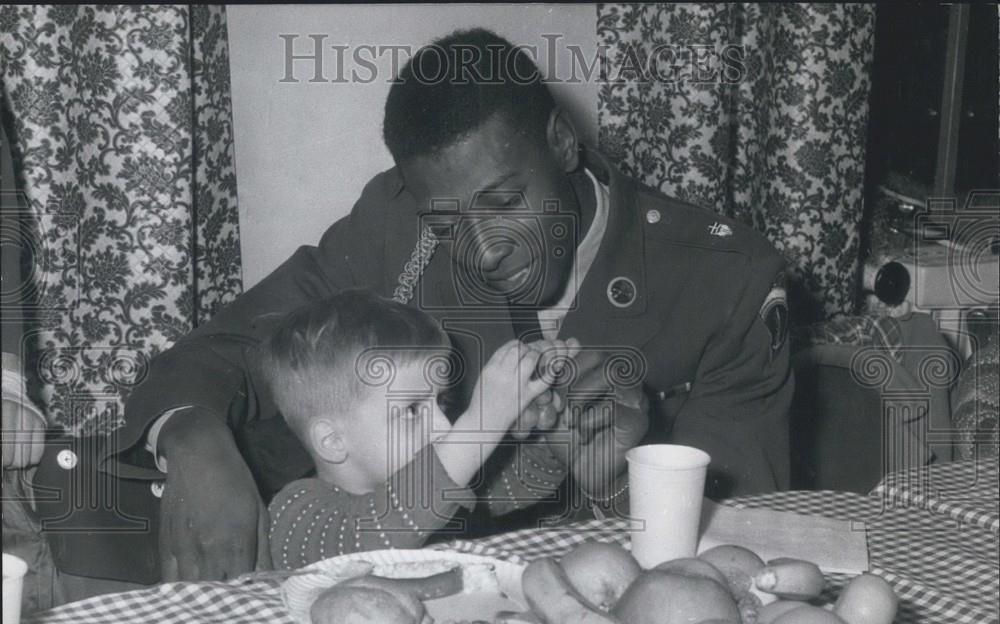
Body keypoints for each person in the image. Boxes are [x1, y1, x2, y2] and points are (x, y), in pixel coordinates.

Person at [110, 28, 791, 583]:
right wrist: (190, 432)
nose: (482, 249)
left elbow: (748, 555)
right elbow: (230, 346)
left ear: (562, 141)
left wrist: (623, 480)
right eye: (445, 224)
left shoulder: (723, 282)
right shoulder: (394, 224)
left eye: (503, 203)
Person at [258, 289, 577, 569]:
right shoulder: (296, 514)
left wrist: (549, 437)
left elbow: (509, 485)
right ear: (332, 440)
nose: (443, 426)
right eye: (412, 410)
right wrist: (483, 423)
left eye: (441, 402)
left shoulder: (427, 493)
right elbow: (376, 532)